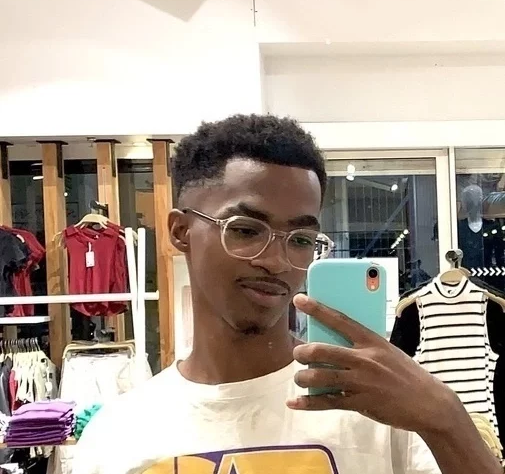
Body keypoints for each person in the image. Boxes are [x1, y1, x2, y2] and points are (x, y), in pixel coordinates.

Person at [72, 115, 501, 474]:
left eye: (300, 239)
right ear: (181, 231)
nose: (276, 261)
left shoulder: (379, 408)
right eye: (245, 230)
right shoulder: (116, 437)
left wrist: (447, 419)